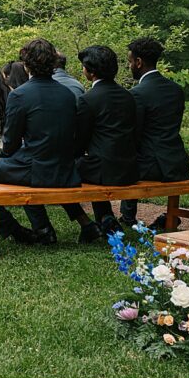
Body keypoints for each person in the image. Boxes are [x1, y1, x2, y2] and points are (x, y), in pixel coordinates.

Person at [0, 39, 81, 245]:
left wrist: (5, 158)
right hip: (65, 169)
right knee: (20, 178)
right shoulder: (67, 94)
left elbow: (11, 140)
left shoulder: (20, 95)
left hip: (35, 167)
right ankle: (43, 229)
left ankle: (16, 231)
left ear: (26, 64)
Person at [119, 37, 189, 231]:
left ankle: (127, 216)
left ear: (139, 62)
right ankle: (170, 216)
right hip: (177, 162)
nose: (129, 65)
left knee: (126, 159)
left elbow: (133, 134)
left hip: (150, 167)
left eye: (130, 61)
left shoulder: (137, 93)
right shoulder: (176, 90)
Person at [72, 45, 138, 236]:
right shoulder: (128, 96)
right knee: (91, 164)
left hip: (103, 169)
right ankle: (105, 216)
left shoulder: (88, 99)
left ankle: (95, 220)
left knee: (63, 169)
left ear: (90, 72)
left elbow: (80, 141)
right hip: (129, 168)